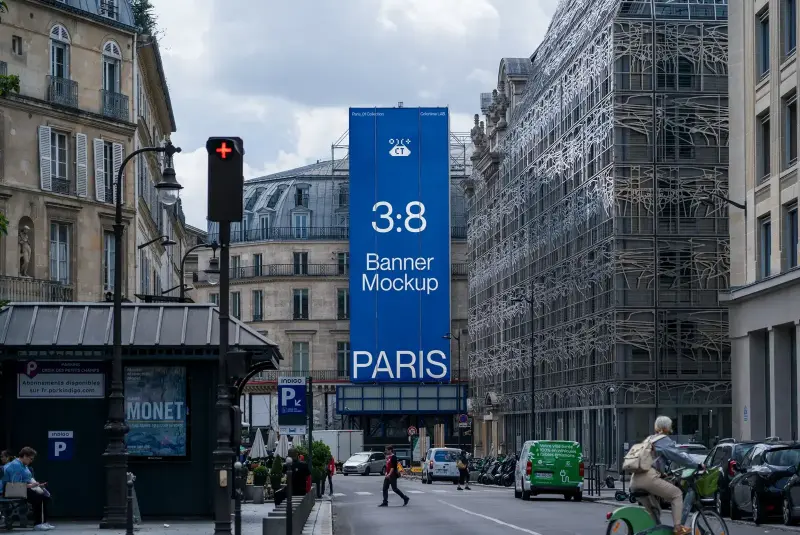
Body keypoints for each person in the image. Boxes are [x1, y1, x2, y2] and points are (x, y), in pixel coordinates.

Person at [630, 416, 704, 535]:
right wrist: (697, 465)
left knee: (655, 512)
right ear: (667, 427)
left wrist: (663, 474)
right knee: (676, 494)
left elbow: (652, 460)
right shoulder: (663, 440)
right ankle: (678, 528)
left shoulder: (649, 439)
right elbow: (678, 456)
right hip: (648, 478)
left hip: (634, 480)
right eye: (670, 426)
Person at [0, 447, 53, 531]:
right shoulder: (16, 465)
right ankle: (38, 524)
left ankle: (43, 522)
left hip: (19, 488)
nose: (31, 461)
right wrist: (32, 486)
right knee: (38, 497)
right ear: (24, 456)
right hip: (9, 490)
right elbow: (16, 485)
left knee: (45, 496)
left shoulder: (24, 465)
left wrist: (37, 485)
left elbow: (28, 479)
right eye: (30, 458)